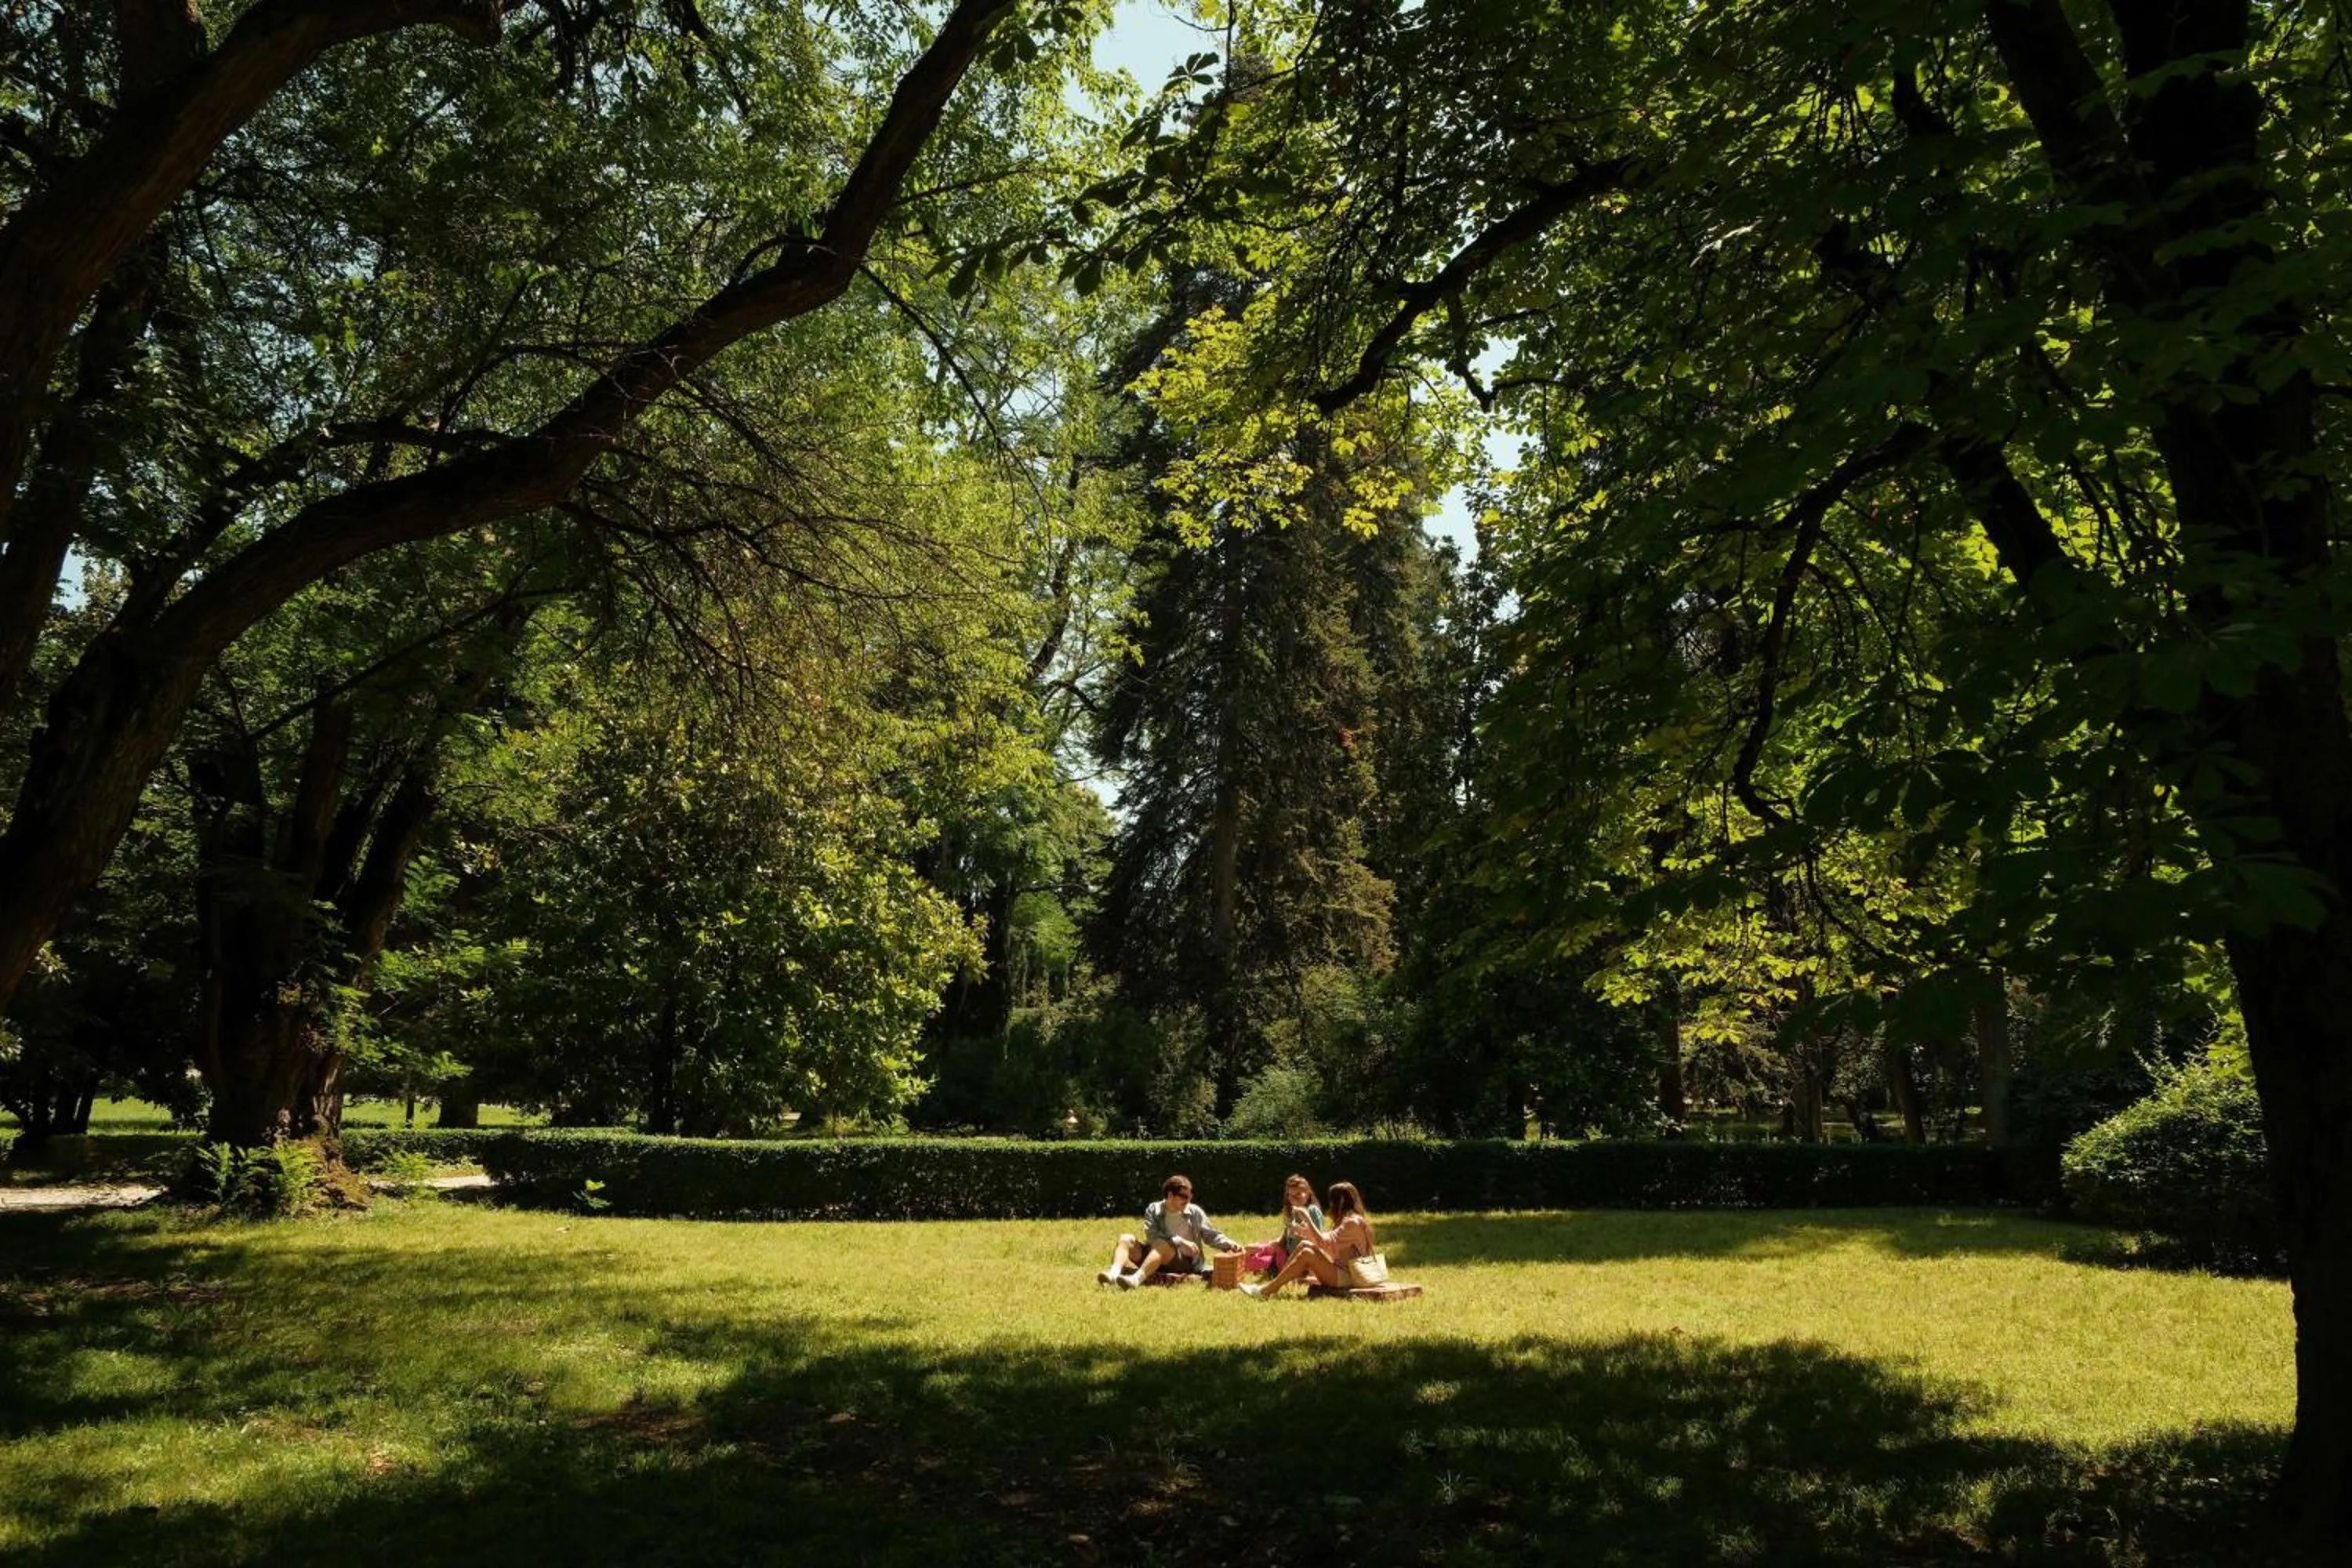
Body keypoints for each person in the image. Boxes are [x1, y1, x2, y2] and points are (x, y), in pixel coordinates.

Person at [1100, 1174, 1240, 1288]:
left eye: (1190, 1196)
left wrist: (1229, 1243)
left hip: (1183, 1262)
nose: (1188, 1200)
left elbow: (1211, 1235)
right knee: (1126, 1238)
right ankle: (1113, 1274)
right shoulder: (1154, 1209)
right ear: (1170, 1195)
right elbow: (1152, 1235)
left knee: (1163, 1244)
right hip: (1154, 1255)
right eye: (1183, 1197)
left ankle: (1136, 1280)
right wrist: (1180, 1241)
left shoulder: (1194, 1212)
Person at [1243, 1180, 1374, 1298]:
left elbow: (1325, 1243)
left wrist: (1307, 1218)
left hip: (1350, 1277)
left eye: (1332, 1202)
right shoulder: (1351, 1220)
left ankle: (1266, 1291)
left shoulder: (1352, 1223)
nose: (1330, 1207)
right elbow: (1328, 1243)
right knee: (1305, 1245)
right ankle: (1272, 1286)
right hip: (1345, 1273)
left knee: (1307, 1253)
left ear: (1340, 1202)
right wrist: (1306, 1232)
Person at [1272, 1174, 1324, 1272]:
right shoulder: (1293, 1211)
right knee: (1253, 1249)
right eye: (1290, 1195)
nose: (1293, 1198)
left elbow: (1319, 1241)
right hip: (1289, 1254)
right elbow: (1288, 1234)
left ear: (1308, 1194)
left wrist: (1301, 1230)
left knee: (1259, 1259)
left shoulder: (1312, 1210)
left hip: (1304, 1259)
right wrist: (1278, 1243)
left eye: (1298, 1194)